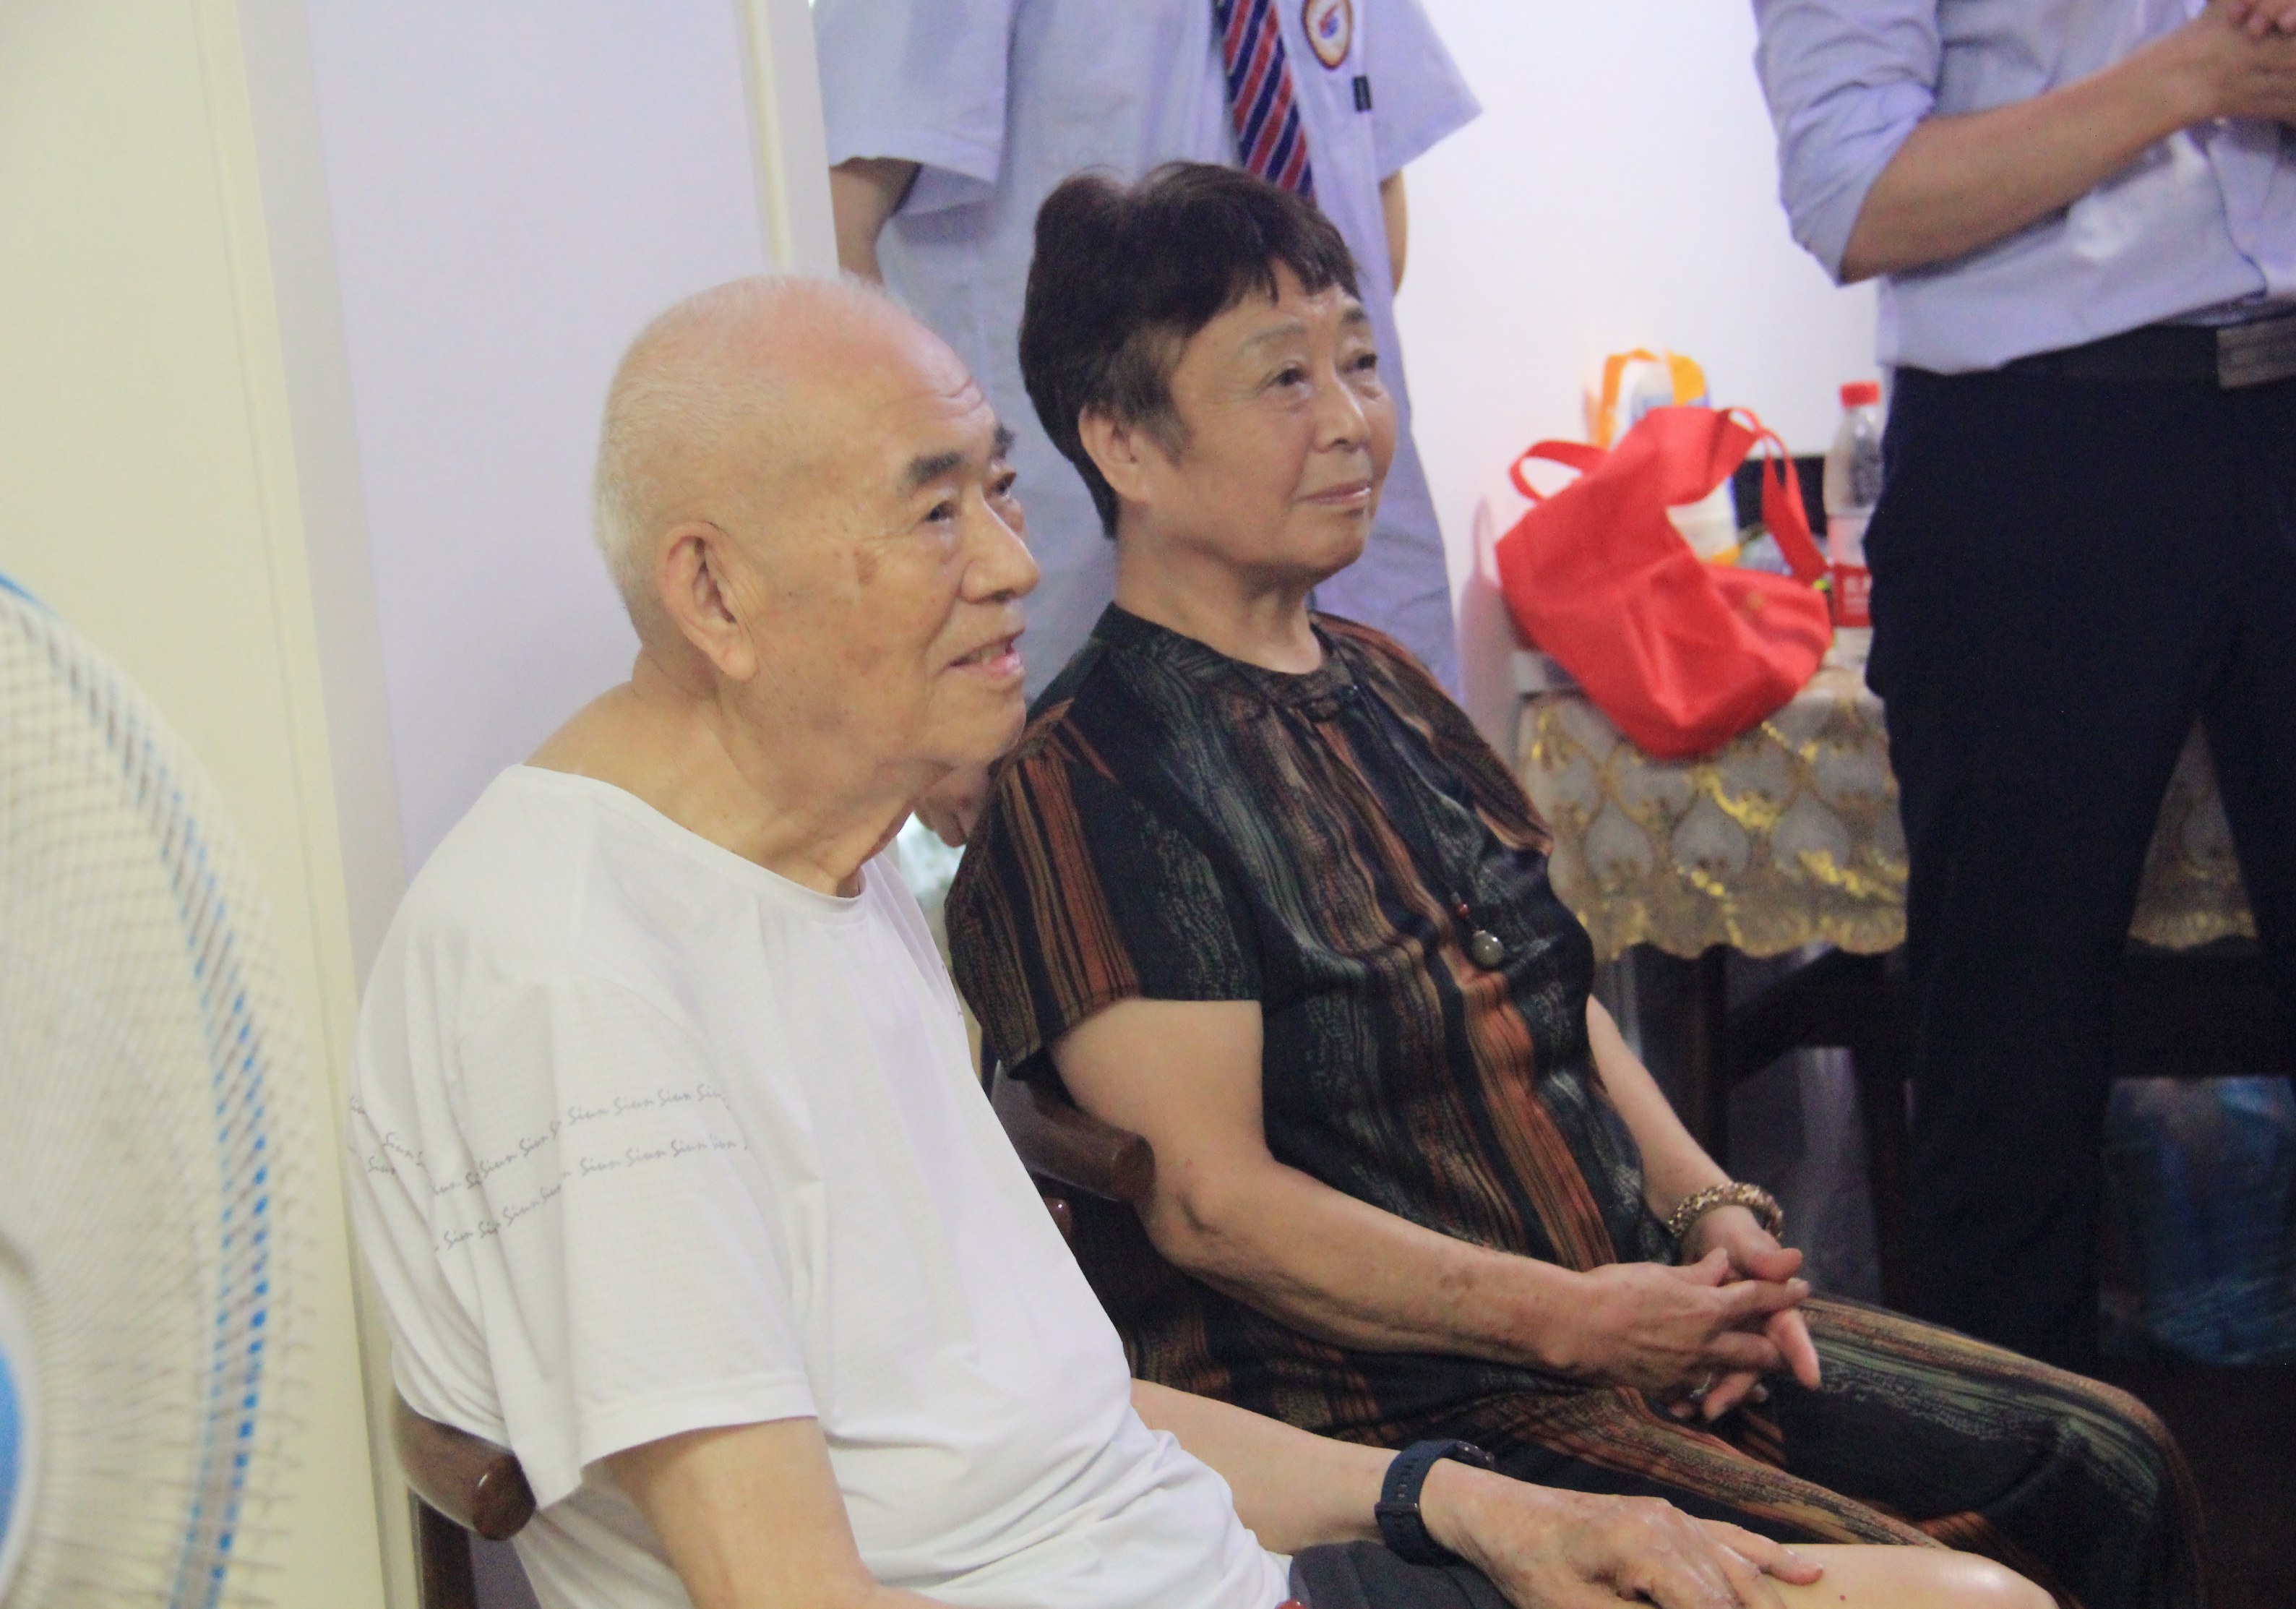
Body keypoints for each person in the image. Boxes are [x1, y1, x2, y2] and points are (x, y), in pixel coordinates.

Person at [341, 275, 2030, 1609]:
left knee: (1969, 1593)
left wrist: (1477, 1511)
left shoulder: (826, 869)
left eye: (999, 494)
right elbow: (789, 1589)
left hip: (1214, 1553)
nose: (1014, 567)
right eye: (934, 516)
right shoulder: (573, 974)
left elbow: (1057, 1428)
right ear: (714, 593)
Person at [945, 164, 2200, 1609]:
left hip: (1613, 1317)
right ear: (1123, 442)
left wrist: (1711, 1213)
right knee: (1957, 1595)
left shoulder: (1382, 679)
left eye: (1357, 361)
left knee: (2110, 1464)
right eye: (1283, 379)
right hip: (1397, 1408)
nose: (1351, 421)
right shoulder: (1094, 776)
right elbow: (1212, 1207)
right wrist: (1579, 1322)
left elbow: (1545, 990)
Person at [1750, 0, 2296, 1371]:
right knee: (2012, 1036)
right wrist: (2194, 74)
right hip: (2043, 438)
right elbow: (1853, 198)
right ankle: (2022, 1486)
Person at [812, 0, 1477, 724]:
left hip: (1357, 563)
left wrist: (1309, 379)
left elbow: (1376, 212)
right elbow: (832, 224)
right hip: (1083, 556)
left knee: (1394, 769)